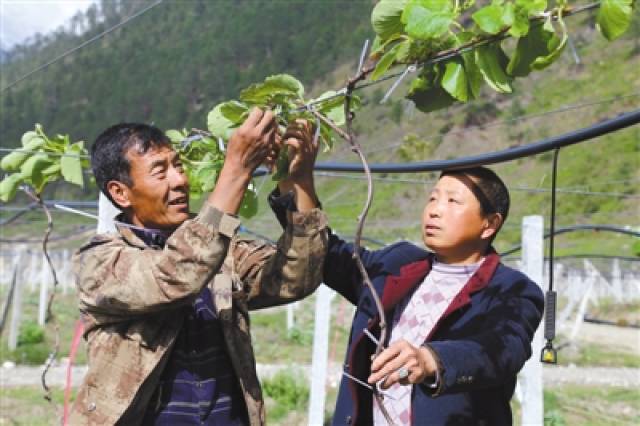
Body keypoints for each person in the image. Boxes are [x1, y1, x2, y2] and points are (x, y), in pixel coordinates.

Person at [70, 111, 326, 425]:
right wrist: (236, 170)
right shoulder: (99, 261)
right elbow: (177, 275)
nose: (180, 181)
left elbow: (294, 279)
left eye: (177, 165)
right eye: (160, 171)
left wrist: (298, 184)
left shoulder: (220, 251)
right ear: (120, 193)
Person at [305, 167, 544, 425]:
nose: (435, 210)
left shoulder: (512, 290)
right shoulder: (398, 263)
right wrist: (298, 181)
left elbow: (505, 349)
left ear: (489, 224)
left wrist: (432, 360)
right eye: (433, 198)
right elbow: (328, 256)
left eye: (452, 201)